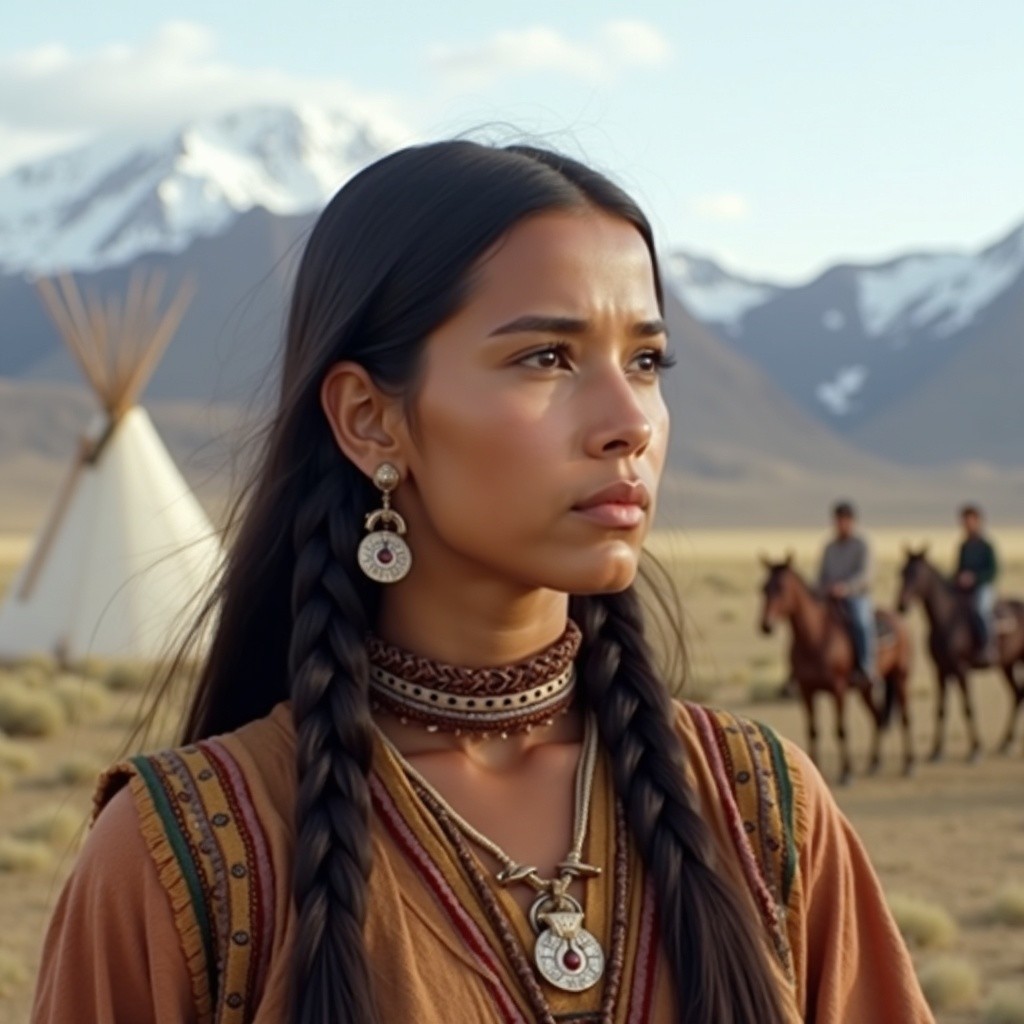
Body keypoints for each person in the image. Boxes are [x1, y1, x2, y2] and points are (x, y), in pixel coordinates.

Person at [32, 142, 932, 1024]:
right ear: (370, 419)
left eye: (648, 362)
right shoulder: (189, 856)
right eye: (547, 357)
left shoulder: (763, 810)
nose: (630, 423)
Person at [818, 500, 881, 694]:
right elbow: (821, 574)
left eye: (844, 520)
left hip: (856, 596)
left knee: (861, 622)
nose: (840, 524)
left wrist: (845, 588)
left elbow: (866, 574)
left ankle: (866, 667)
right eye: (837, 520)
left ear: (852, 521)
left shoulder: (862, 544)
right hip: (831, 597)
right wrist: (822, 588)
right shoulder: (829, 547)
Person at [955, 504, 999, 662]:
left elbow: (993, 571)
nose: (966, 524)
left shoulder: (986, 546)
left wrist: (974, 578)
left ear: (977, 521)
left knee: (981, 609)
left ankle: (989, 646)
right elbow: (959, 568)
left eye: (969, 520)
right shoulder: (964, 546)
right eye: (964, 521)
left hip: (983, 587)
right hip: (965, 589)